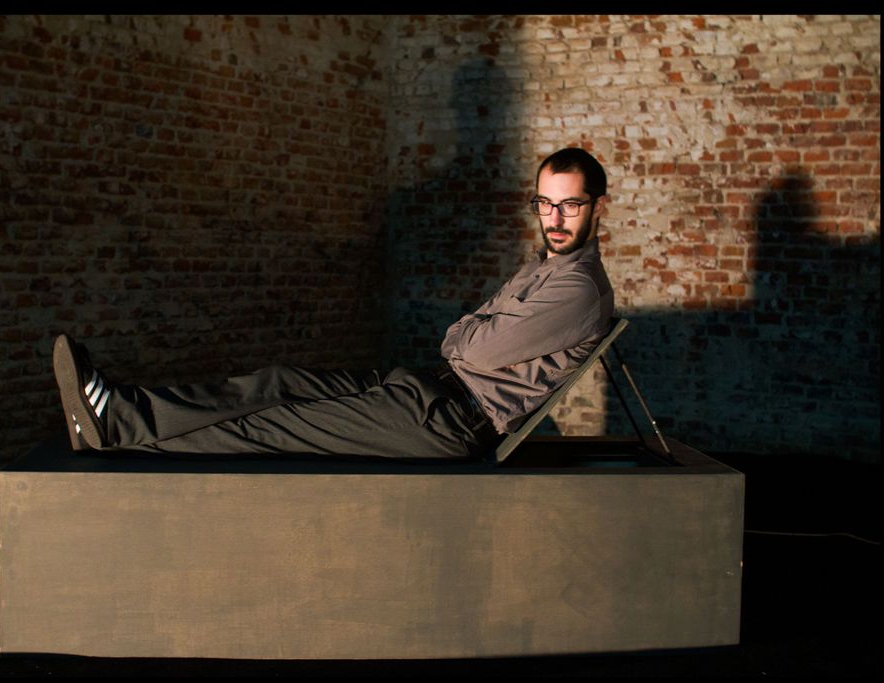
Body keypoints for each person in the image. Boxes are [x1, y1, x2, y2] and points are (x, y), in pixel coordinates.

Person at [53, 148, 615, 459]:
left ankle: (121, 436)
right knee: (277, 381)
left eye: (570, 205)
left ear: (597, 207)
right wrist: (469, 334)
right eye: (545, 204)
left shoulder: (578, 289)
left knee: (275, 425)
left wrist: (470, 332)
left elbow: (474, 347)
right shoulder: (542, 267)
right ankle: (120, 409)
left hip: (451, 419)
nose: (555, 218)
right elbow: (457, 340)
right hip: (427, 386)